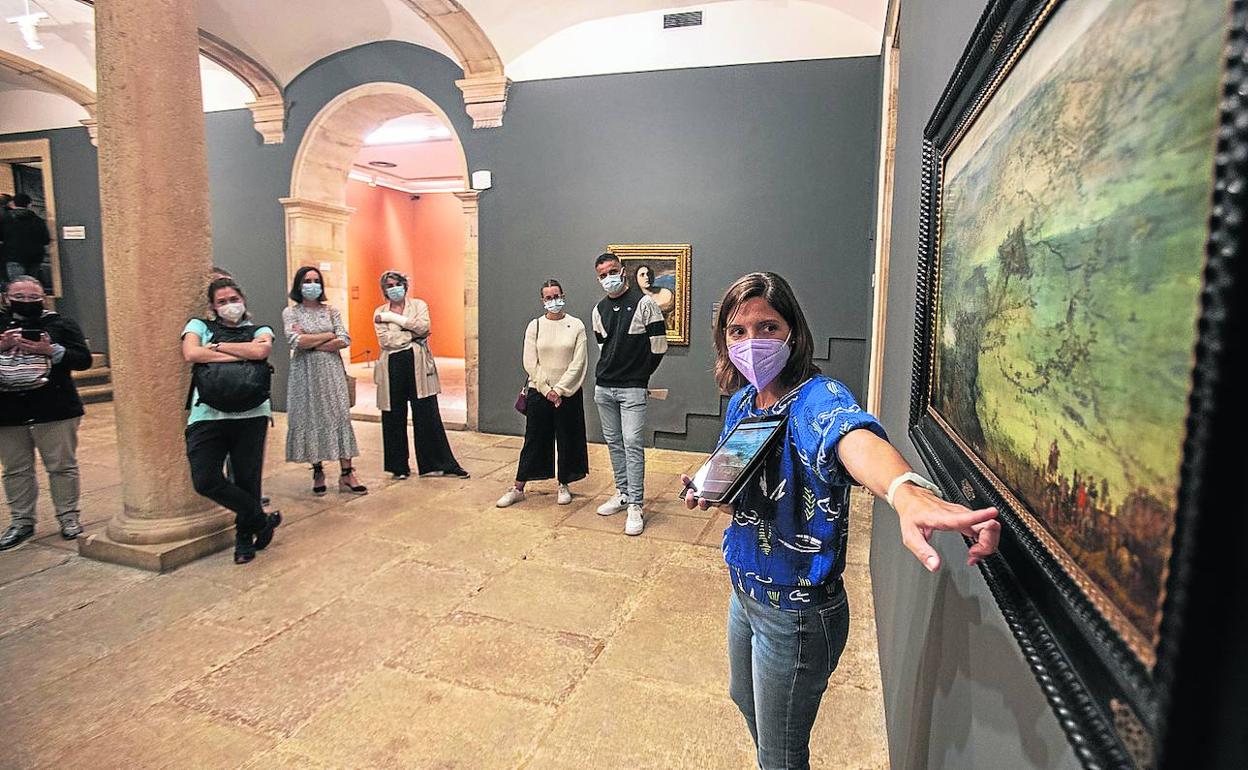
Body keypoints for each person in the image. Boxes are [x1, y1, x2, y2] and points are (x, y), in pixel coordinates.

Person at [681, 272, 1000, 770]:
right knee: (745, 702)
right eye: (737, 331)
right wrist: (713, 492)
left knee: (780, 756)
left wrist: (903, 489)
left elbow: (851, 438)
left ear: (793, 332)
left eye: (768, 327)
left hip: (796, 615)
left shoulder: (819, 397)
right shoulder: (744, 401)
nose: (751, 342)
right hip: (745, 590)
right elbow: (743, 495)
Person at [182, 277, 281, 565]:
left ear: (243, 300)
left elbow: (261, 351)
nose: (229, 305)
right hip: (207, 414)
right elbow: (191, 353)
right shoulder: (198, 326)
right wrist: (242, 355)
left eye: (233, 299)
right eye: (222, 302)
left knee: (248, 479)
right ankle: (261, 520)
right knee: (205, 480)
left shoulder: (259, 330)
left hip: (252, 414)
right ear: (213, 307)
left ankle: (244, 538)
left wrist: (215, 349)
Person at [0, 276, 91, 550]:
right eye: (19, 296)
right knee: (16, 469)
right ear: (6, 297)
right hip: (8, 411)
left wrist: (50, 350)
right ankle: (21, 521)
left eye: (33, 297)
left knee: (62, 466)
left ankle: (68, 516)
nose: (26, 301)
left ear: (43, 298)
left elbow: (83, 360)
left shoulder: (60, 324)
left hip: (55, 407)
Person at [590, 252, 668, 535]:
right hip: (604, 386)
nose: (608, 278)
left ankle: (636, 503)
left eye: (612, 271)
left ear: (622, 270)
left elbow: (659, 346)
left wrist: (639, 375)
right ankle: (622, 493)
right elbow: (604, 347)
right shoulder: (599, 309)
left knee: (632, 442)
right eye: (602, 275)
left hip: (632, 388)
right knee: (613, 442)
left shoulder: (645, 304)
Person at [496, 279, 589, 508]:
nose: (553, 301)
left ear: (563, 296)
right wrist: (548, 390)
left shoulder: (576, 325)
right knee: (534, 439)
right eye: (548, 297)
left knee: (567, 439)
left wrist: (560, 390)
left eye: (556, 296)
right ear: (542, 300)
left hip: (568, 392)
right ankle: (518, 487)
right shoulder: (535, 326)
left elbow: (579, 363)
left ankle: (564, 484)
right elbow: (530, 362)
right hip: (540, 392)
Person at [372, 270, 469, 479]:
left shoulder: (418, 305)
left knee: (427, 414)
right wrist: (411, 335)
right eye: (389, 286)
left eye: (397, 284)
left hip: (418, 364)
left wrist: (393, 320)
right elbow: (386, 341)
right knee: (393, 416)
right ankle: (398, 467)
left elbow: (424, 327)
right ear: (384, 290)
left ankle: (436, 464)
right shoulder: (379, 311)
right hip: (392, 366)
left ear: (404, 285)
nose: (394, 288)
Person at [283, 266, 367, 495]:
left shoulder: (331, 311)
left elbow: (344, 339)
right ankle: (317, 470)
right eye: (307, 281)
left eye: (316, 280)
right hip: (305, 374)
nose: (312, 285)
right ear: (299, 285)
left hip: (331, 371)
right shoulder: (291, 313)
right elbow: (295, 341)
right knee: (311, 416)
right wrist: (328, 336)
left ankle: (347, 473)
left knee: (339, 415)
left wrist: (311, 340)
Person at [0, 194, 50, 286]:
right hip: (35, 257)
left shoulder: (5, 219)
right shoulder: (38, 220)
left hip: (13, 256)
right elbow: (45, 240)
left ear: (13, 203)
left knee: (17, 285)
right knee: (32, 284)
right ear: (29, 204)